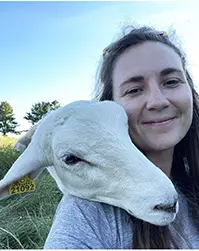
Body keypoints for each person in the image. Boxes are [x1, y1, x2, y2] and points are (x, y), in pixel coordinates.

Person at [44, 25, 199, 249]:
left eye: (171, 81)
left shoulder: (190, 179)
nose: (158, 101)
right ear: (109, 109)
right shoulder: (88, 213)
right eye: (134, 90)